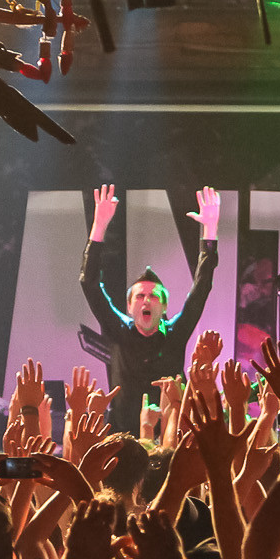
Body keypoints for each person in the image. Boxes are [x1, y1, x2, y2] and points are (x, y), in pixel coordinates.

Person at [80, 183, 222, 434]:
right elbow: (89, 283)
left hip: (169, 439)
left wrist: (210, 231)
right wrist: (99, 226)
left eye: (154, 296)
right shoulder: (119, 330)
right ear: (129, 306)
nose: (146, 301)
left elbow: (201, 288)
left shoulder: (175, 333)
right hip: (123, 438)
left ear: (165, 305)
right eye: (140, 296)